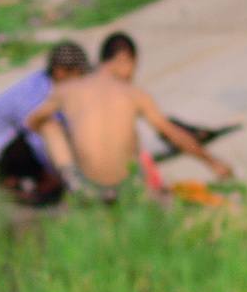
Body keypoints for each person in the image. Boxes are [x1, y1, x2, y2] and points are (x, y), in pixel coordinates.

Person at [24, 33, 233, 203]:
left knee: (49, 126)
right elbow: (173, 134)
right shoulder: (134, 94)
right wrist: (214, 162)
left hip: (87, 190)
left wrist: (73, 142)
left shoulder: (68, 90)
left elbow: (32, 121)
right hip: (129, 188)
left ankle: (67, 182)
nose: (132, 75)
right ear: (124, 59)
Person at [0, 40, 90, 205]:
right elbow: (37, 140)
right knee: (48, 127)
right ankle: (49, 183)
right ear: (60, 71)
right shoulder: (34, 93)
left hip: (15, 145)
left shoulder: (49, 86)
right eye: (79, 75)